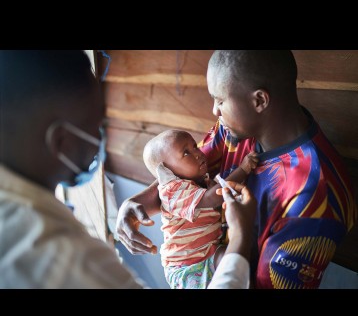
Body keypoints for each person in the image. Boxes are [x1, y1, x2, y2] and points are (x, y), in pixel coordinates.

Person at [0, 50, 255, 289]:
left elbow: (181, 180)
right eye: (98, 122)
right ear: (61, 141)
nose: (100, 136)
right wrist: (240, 239)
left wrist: (133, 202)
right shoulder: (64, 259)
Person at [116, 50, 357, 289]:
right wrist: (135, 203)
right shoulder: (234, 131)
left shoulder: (315, 199)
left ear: (259, 101)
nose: (214, 111)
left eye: (220, 101)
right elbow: (179, 175)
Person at [142, 129, 257, 288]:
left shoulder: (201, 180)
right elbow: (213, 197)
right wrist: (243, 170)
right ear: (166, 171)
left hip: (210, 252)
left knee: (239, 264)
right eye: (186, 153)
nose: (198, 153)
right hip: (185, 267)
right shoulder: (172, 191)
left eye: (195, 146)